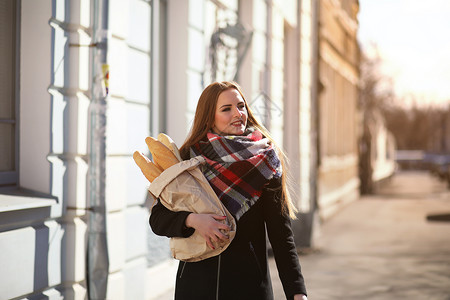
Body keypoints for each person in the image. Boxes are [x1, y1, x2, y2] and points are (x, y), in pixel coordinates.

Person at [149, 81, 308, 300]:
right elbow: (158, 219)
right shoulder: (189, 159)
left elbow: (281, 235)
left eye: (241, 106)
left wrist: (297, 292)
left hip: (250, 288)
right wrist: (193, 220)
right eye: (226, 109)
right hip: (196, 288)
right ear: (209, 117)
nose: (238, 114)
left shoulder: (265, 162)